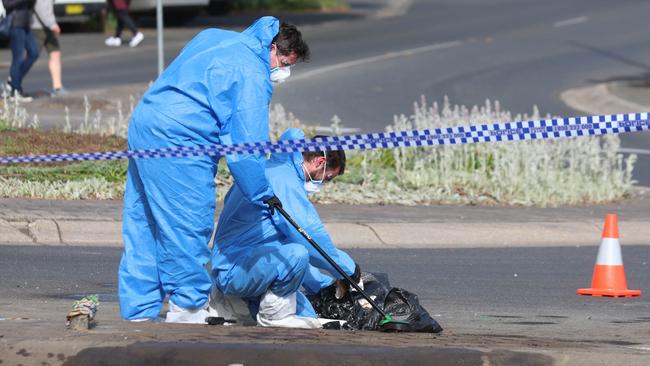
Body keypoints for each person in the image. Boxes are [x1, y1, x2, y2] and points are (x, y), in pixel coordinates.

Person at [118, 16, 309, 324]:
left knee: (145, 221)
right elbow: (246, 147)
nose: (283, 71)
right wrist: (262, 192)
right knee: (187, 221)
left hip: (146, 122)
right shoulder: (252, 71)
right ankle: (188, 307)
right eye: (285, 62)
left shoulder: (214, 36)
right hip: (183, 139)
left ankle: (139, 310)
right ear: (273, 48)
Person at [210, 128, 361, 329]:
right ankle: (272, 317)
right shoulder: (284, 180)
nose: (323, 183)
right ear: (320, 162)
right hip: (236, 270)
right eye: (327, 178)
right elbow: (307, 235)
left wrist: (323, 286)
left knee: (311, 316)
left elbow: (284, 244)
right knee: (297, 252)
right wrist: (347, 269)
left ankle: (238, 305)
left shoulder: (275, 168)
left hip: (245, 262)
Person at [2, 0, 39, 102]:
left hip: (25, 23)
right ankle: (15, 90)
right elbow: (7, 4)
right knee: (18, 58)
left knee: (34, 52)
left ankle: (13, 81)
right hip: (15, 23)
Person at [32, 0, 66, 97]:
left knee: (55, 53)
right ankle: (13, 83)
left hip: (46, 26)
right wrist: (52, 24)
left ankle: (58, 87)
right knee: (30, 57)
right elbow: (40, 7)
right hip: (38, 27)